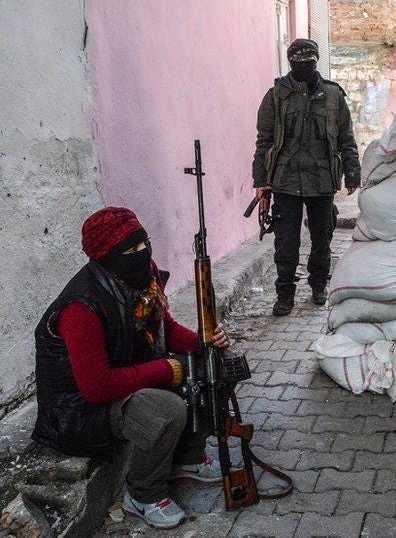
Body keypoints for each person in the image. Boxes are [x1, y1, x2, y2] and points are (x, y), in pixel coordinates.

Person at [33, 207, 233, 529]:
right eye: (131, 249)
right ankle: (143, 494)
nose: (142, 254)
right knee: (164, 408)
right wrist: (166, 370)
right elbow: (96, 386)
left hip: (122, 375)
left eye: (145, 244)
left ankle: (187, 458)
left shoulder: (142, 275)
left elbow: (165, 326)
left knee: (206, 367)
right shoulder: (81, 306)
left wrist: (204, 343)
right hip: (77, 412)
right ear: (108, 255)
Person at [252, 38, 361, 316]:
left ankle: (318, 285)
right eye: (299, 63)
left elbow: (346, 138)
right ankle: (284, 292)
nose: (304, 67)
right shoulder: (276, 96)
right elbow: (264, 142)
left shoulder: (334, 96)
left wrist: (352, 172)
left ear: (316, 62)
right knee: (286, 242)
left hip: (322, 180)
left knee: (322, 237)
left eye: (309, 63)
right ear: (291, 63)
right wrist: (261, 183)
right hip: (285, 180)